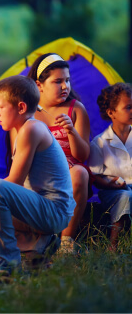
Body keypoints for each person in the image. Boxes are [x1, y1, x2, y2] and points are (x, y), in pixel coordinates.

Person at [0, 75, 76, 274]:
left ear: (21, 108)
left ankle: (5, 261)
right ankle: (39, 244)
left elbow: (14, 181)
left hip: (53, 211)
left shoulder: (31, 129)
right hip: (38, 211)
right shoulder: (23, 130)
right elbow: (17, 187)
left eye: (0, 107)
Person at [27, 53, 91, 253]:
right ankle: (38, 238)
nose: (65, 86)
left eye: (68, 80)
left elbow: (83, 156)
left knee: (80, 172)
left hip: (69, 176)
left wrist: (71, 131)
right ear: (39, 85)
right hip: (38, 176)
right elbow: (18, 155)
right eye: (58, 81)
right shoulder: (27, 112)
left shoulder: (76, 109)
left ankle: (66, 241)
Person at [88, 83, 132, 251]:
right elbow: (96, 178)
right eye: (128, 107)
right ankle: (113, 245)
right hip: (112, 191)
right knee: (125, 195)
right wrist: (110, 183)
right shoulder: (99, 143)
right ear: (111, 113)